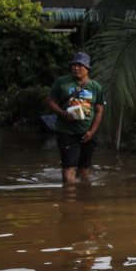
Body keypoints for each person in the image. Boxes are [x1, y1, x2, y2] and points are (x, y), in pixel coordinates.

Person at [46, 52, 106, 184]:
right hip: (66, 132)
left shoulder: (96, 87)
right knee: (69, 167)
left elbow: (99, 111)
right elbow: (50, 101)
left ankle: (83, 197)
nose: (76, 68)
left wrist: (92, 132)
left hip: (87, 133)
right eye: (74, 65)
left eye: (80, 65)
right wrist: (62, 113)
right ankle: (69, 199)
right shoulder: (62, 82)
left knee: (84, 168)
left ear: (87, 69)